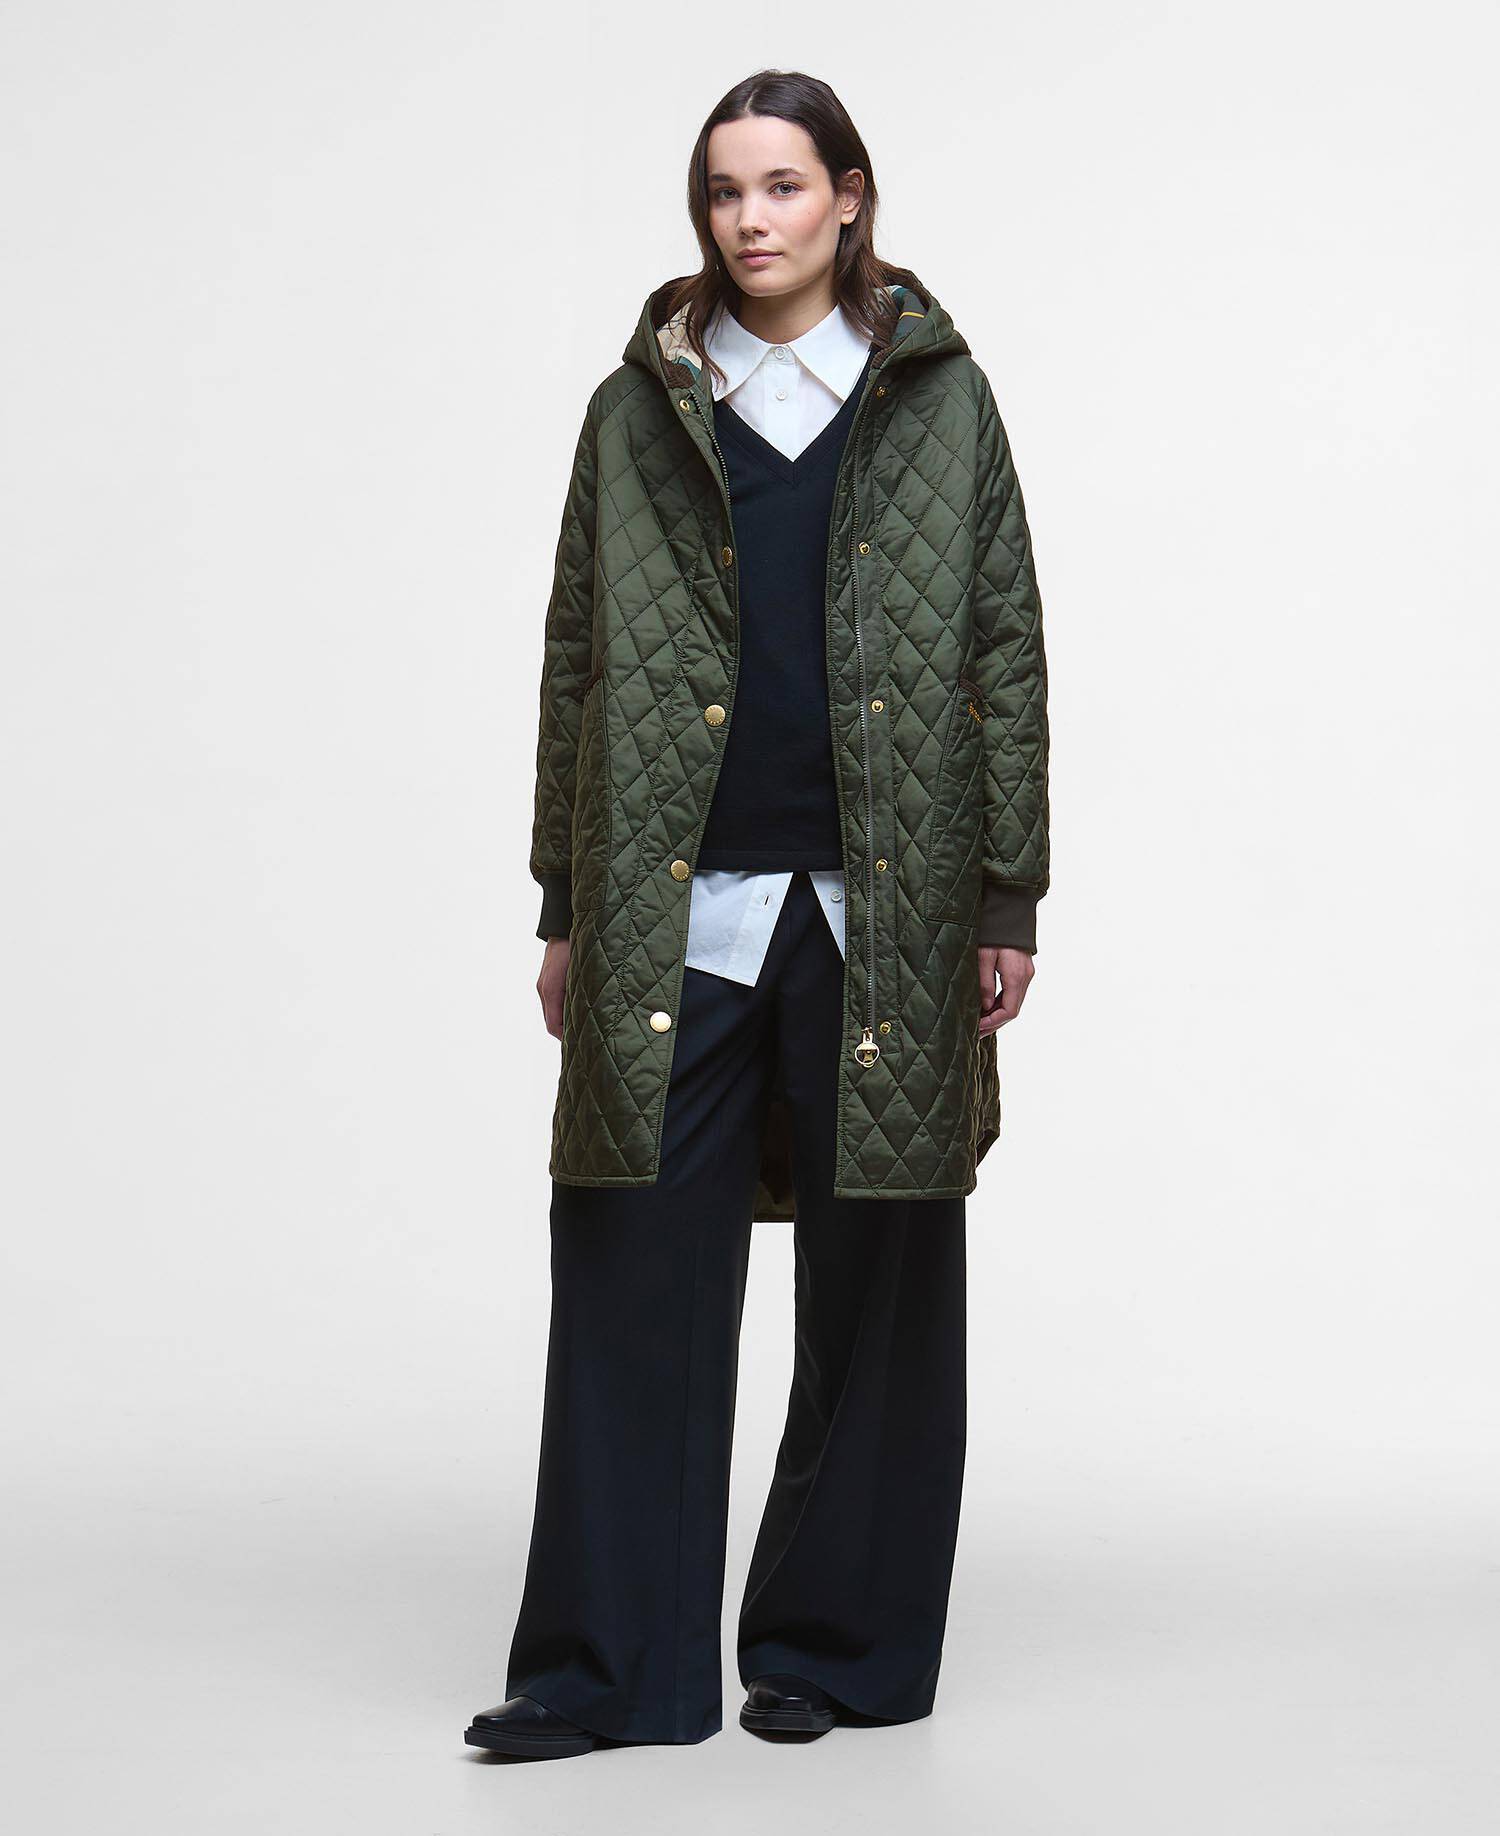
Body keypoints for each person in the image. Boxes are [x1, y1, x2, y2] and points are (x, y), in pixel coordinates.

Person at [464, 66, 1049, 1761]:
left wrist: (1004, 890)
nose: (750, 219)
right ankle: (606, 1672)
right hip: (678, 905)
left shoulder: (941, 400)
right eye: (725, 191)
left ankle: (834, 1652)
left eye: (783, 186)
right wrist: (566, 900)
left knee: (881, 1283)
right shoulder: (635, 408)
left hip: (890, 905)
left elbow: (1006, 642)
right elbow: (577, 657)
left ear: (849, 196)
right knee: (629, 1268)